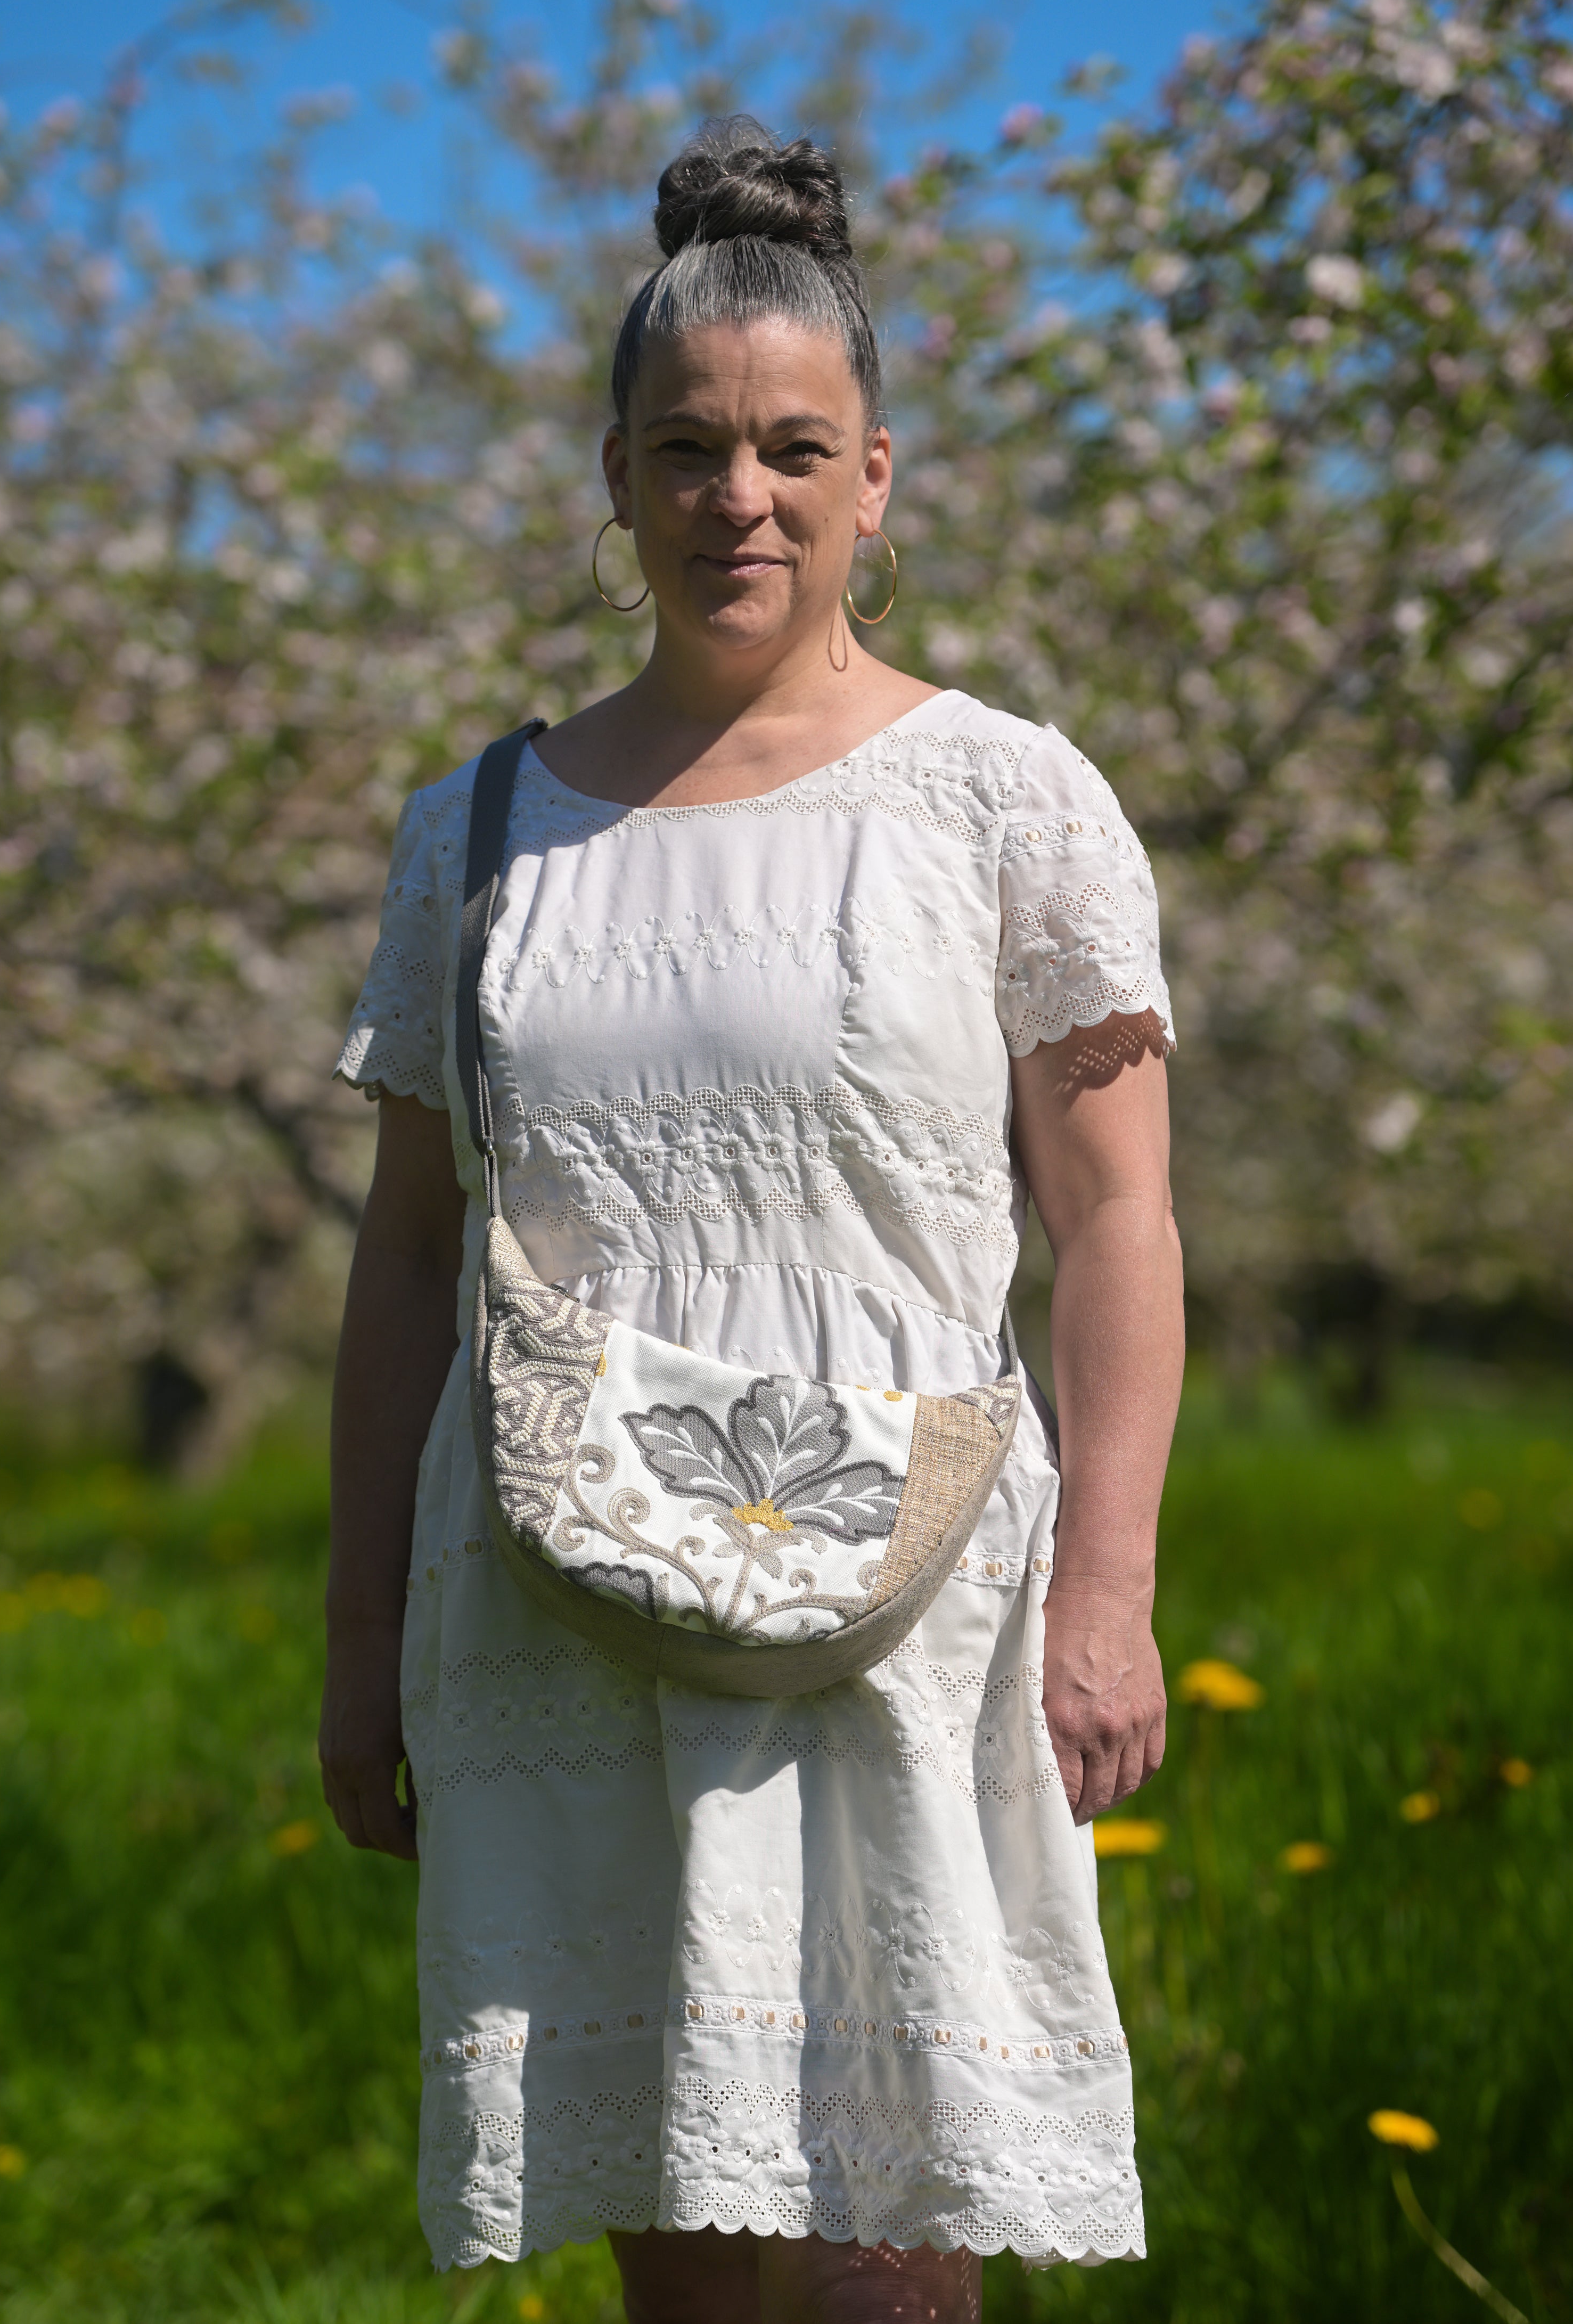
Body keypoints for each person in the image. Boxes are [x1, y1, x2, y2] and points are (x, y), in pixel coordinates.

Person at [322, 116, 1182, 2323]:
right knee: (687, 2271)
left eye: (799, 449)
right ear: (616, 476)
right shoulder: (481, 833)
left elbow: (1114, 1225)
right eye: (691, 449)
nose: (744, 498)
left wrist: (1109, 1592)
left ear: (877, 478)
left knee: (898, 2265)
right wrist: (356, 1648)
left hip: (911, 1615)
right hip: (564, 1605)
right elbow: (407, 1261)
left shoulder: (1005, 800)